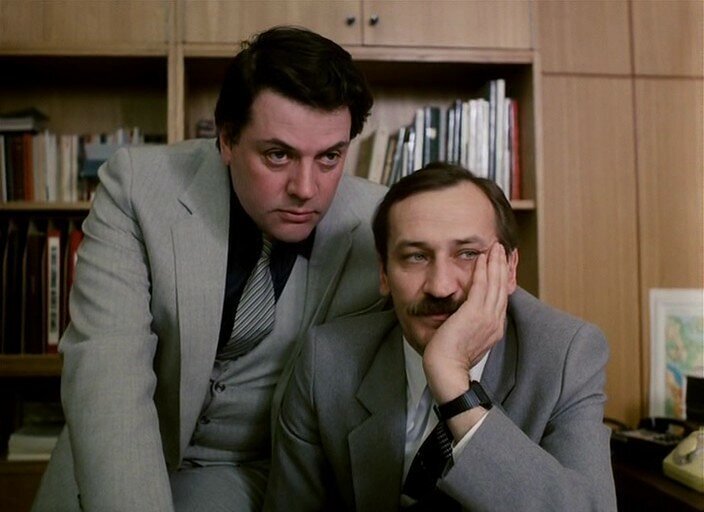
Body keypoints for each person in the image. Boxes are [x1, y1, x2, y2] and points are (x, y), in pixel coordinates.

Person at [32, 26, 387, 512]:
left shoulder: (379, 222)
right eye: (277, 154)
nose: (306, 188)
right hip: (114, 461)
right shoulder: (136, 187)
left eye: (330, 157)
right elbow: (106, 376)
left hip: (253, 477)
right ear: (226, 139)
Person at [265, 162, 617, 511]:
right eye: (416, 256)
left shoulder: (566, 354)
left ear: (509, 269)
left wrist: (455, 389)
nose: (441, 286)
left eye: (467, 254)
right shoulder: (326, 361)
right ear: (384, 273)